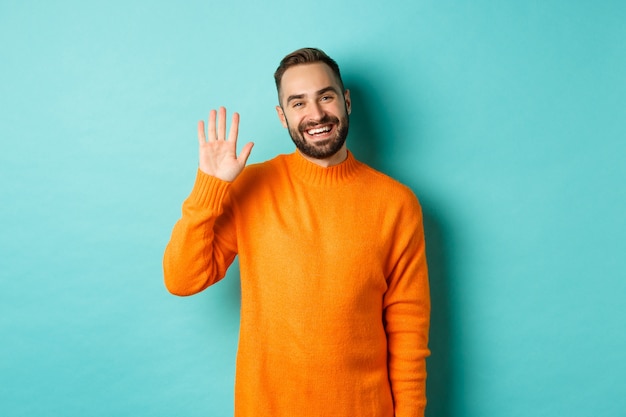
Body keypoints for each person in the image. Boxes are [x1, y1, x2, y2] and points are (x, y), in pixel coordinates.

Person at [163, 47, 430, 417]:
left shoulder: (396, 204)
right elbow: (181, 279)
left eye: (325, 96)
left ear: (346, 101)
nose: (316, 114)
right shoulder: (250, 188)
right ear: (282, 116)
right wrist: (210, 187)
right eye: (298, 103)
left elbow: (408, 332)